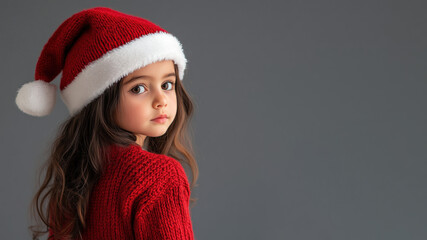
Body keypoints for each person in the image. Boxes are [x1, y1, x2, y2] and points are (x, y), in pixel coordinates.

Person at [15, 7, 198, 240]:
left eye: (167, 84)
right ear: (101, 99)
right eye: (138, 88)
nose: (161, 100)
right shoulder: (159, 175)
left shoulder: (73, 174)